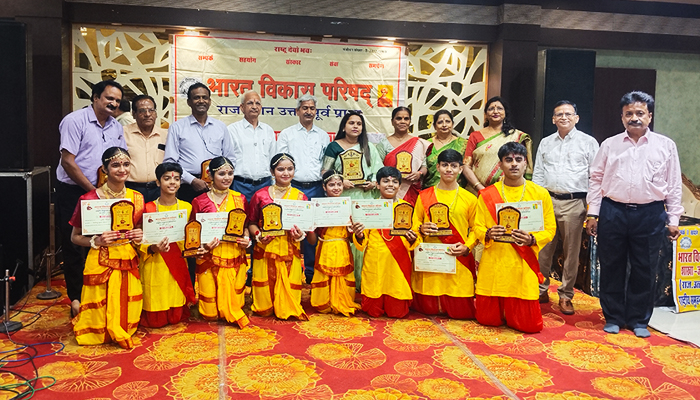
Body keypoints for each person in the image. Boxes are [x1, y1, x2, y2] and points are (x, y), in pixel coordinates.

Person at [586, 91, 682, 338]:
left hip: (650, 213)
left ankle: (639, 319)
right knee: (611, 265)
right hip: (613, 211)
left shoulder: (665, 146)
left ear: (650, 116)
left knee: (645, 267)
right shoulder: (610, 145)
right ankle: (614, 317)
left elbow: (673, 185)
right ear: (622, 117)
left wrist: (673, 219)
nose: (634, 118)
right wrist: (593, 213)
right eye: (629, 113)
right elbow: (596, 179)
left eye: (640, 113)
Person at [56, 79, 127, 317]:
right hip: (75, 191)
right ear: (96, 97)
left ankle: (99, 297)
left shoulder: (116, 126)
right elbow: (68, 161)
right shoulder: (74, 121)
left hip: (104, 193)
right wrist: (92, 192)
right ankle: (77, 299)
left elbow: (120, 158)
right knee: (75, 245)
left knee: (100, 243)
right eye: (109, 98)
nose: (113, 103)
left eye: (117, 100)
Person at [474, 142, 556, 333]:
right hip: (495, 260)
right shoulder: (487, 194)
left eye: (519, 160)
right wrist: (488, 233)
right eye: (508, 160)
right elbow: (477, 226)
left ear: (525, 163)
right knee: (488, 320)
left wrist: (532, 239)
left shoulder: (540, 194)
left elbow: (550, 228)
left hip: (523, 262)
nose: (514, 164)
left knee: (530, 326)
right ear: (500, 164)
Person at [70, 147, 144, 348]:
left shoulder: (137, 198)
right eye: (116, 165)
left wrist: (139, 236)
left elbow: (138, 231)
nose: (122, 169)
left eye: (126, 164)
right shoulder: (89, 200)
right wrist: (96, 241)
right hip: (100, 260)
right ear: (104, 169)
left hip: (127, 259)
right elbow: (74, 237)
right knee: (98, 312)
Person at [532, 100, 599, 315]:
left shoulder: (588, 143)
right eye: (559, 114)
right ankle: (541, 289)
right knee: (543, 249)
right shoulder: (546, 143)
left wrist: (592, 210)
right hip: (547, 201)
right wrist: (537, 204)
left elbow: (595, 177)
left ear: (576, 118)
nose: (564, 117)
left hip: (575, 203)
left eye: (568, 114)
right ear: (553, 119)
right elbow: (538, 174)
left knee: (571, 252)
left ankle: (566, 295)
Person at [248, 153, 315, 320]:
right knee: (264, 307)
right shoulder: (260, 195)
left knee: (288, 302)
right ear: (272, 172)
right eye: (280, 169)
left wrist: (300, 234)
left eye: (290, 169)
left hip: (289, 248)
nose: (286, 173)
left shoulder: (300, 197)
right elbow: (251, 222)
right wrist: (258, 235)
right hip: (265, 248)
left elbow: (306, 229)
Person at [413, 149, 478, 319]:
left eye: (454, 166)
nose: (449, 169)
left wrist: (467, 247)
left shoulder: (470, 198)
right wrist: (421, 228)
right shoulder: (424, 196)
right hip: (430, 258)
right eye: (445, 165)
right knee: (427, 311)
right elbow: (414, 224)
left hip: (457, 256)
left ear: (461, 169)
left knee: (460, 313)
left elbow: (477, 228)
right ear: (438, 167)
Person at [322, 111, 383, 290]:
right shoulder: (334, 147)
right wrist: (340, 181)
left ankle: (364, 283)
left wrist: (373, 183)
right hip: (343, 200)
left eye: (359, 123)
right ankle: (345, 284)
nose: (355, 126)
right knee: (346, 238)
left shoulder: (369, 147)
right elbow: (325, 172)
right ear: (344, 126)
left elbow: (378, 172)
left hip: (365, 199)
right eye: (351, 123)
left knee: (363, 237)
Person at [351, 166, 419, 318]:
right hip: (375, 261)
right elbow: (362, 240)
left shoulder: (407, 208)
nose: (390, 185)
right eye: (385, 181)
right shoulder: (369, 207)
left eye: (394, 182)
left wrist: (413, 238)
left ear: (399, 185)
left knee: (398, 313)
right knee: (373, 311)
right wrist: (359, 234)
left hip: (398, 264)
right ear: (377, 184)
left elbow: (416, 234)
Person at [191, 157, 251, 328]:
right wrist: (202, 247)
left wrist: (246, 240)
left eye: (230, 173)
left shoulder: (240, 199)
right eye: (221, 174)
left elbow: (245, 227)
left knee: (235, 302)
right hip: (209, 256)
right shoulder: (199, 201)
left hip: (233, 253)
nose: (227, 178)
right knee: (209, 313)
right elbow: (193, 231)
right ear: (210, 175)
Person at [277, 94, 330, 283]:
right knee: (291, 229)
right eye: (305, 108)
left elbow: (326, 164)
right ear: (297, 111)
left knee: (313, 231)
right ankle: (289, 271)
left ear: (316, 112)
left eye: (312, 108)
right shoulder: (287, 134)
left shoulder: (323, 135)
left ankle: (311, 271)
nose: (309, 111)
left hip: (316, 189)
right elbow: (280, 163)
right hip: (293, 189)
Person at [138, 162, 196, 328]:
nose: (172, 182)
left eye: (176, 179)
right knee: (156, 293)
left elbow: (192, 236)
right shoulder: (148, 208)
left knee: (174, 296)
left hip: (178, 260)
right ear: (158, 182)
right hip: (154, 260)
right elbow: (138, 238)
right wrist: (153, 248)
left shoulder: (187, 207)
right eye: (167, 178)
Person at [163, 82, 235, 204]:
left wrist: (221, 179)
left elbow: (230, 158)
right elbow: (170, 162)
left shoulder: (220, 127)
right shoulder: (177, 127)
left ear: (210, 101)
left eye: (205, 97)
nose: (201, 101)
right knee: (190, 216)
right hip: (189, 186)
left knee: (218, 215)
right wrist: (192, 180)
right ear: (189, 102)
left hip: (218, 185)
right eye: (196, 98)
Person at [308, 170, 359, 316]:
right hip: (325, 246)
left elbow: (352, 238)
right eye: (331, 185)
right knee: (324, 276)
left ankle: (341, 300)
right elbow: (312, 241)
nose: (336, 188)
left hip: (343, 247)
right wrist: (310, 228)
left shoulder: (349, 207)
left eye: (339, 184)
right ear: (324, 187)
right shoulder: (317, 207)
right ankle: (325, 302)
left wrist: (354, 231)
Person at [463, 96, 533, 194]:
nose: (495, 112)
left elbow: (522, 164)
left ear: (505, 113)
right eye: (491, 109)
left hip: (508, 190)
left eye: (499, 108)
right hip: (477, 192)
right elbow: (466, 166)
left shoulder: (516, 136)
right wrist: (481, 189)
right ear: (486, 114)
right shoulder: (475, 136)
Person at [227, 91, 276, 201]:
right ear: (242, 107)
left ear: (261, 107)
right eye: (250, 103)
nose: (254, 107)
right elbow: (228, 160)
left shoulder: (268, 130)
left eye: (257, 103)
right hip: (240, 185)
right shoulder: (232, 130)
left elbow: (273, 160)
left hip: (265, 185)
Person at [378, 107, 429, 205]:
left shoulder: (418, 143)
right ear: (392, 121)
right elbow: (378, 168)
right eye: (398, 118)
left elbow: (424, 166)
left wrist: (419, 174)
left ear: (410, 122)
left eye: (406, 119)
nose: (402, 121)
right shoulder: (383, 144)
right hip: (389, 189)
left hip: (411, 190)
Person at [124, 94, 168, 203]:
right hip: (131, 189)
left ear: (156, 113)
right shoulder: (123, 133)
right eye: (142, 111)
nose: (147, 114)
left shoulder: (166, 135)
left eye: (151, 110)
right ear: (134, 114)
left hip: (159, 189)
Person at [423, 110, 468, 189]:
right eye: (440, 122)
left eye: (447, 121)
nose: (444, 125)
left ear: (452, 124)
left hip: (456, 190)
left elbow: (467, 168)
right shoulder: (427, 144)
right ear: (434, 126)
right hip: (430, 190)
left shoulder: (463, 144)